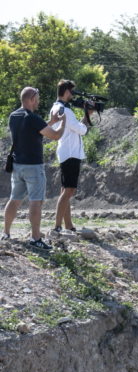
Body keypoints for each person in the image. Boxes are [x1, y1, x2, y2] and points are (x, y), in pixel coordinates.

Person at [3, 86, 65, 250]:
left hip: (18, 166)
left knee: (14, 200)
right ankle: (35, 238)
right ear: (31, 99)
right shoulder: (33, 118)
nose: (38, 101)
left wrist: (51, 122)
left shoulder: (14, 116)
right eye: (36, 98)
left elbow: (33, 131)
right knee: (35, 202)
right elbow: (55, 136)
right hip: (33, 167)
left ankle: (6, 233)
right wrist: (63, 123)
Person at [50, 79, 88, 237]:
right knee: (68, 190)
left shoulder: (56, 107)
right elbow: (81, 130)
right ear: (66, 92)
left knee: (65, 190)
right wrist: (87, 115)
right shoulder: (65, 110)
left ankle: (68, 225)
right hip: (71, 153)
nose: (73, 95)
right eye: (72, 92)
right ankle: (57, 227)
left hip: (66, 152)